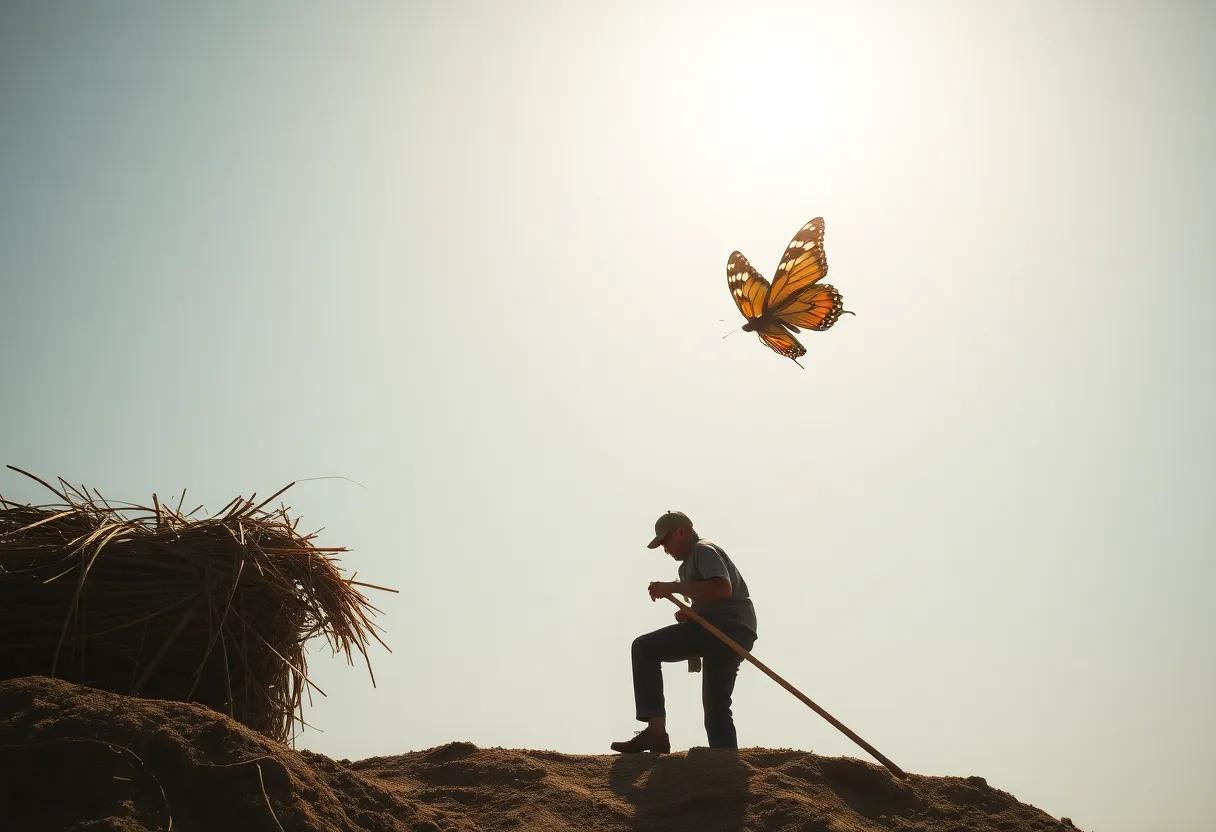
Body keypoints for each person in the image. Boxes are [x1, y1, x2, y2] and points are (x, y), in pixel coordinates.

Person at [611, 510, 758, 754]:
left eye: (666, 541)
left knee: (644, 648)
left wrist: (674, 588)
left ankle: (656, 732)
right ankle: (727, 763)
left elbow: (722, 588)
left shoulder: (703, 550)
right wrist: (692, 614)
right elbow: (711, 599)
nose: (665, 549)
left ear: (682, 532)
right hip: (736, 630)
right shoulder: (687, 566)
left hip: (728, 627)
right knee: (715, 707)